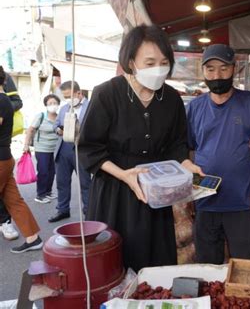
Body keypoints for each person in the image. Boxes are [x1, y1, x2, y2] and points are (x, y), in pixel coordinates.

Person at [78, 24, 203, 272]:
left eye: (163, 62)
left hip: (155, 194)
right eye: (149, 62)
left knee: (156, 263)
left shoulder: (171, 99)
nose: (158, 69)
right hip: (115, 192)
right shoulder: (107, 94)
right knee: (115, 264)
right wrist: (124, 174)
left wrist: (187, 164)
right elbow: (90, 148)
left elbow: (177, 145)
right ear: (131, 61)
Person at [187, 44, 250, 264]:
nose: (217, 75)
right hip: (205, 201)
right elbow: (188, 154)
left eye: (223, 68)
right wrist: (189, 191)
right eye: (211, 69)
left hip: (241, 201)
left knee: (245, 265)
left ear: (234, 69)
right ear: (203, 72)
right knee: (207, 268)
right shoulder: (195, 108)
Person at [0, 65, 43, 253]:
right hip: (4, 159)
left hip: (0, 160)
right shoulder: (4, 100)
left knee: (14, 201)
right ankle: (33, 238)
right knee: (14, 201)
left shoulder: (1, 100)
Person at [48, 81, 91, 222]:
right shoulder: (64, 108)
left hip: (82, 149)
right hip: (64, 149)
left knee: (85, 183)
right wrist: (58, 130)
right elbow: (55, 125)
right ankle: (62, 210)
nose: (67, 99)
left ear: (78, 93)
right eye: (65, 96)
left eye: (68, 96)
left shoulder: (92, 106)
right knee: (62, 182)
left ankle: (89, 211)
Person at [23, 94, 61, 203]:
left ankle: (48, 192)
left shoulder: (59, 117)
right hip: (42, 149)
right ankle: (40, 194)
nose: (53, 105)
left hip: (55, 149)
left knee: (52, 171)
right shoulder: (41, 116)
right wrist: (26, 145)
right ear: (46, 105)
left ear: (58, 104)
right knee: (43, 171)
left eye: (55, 103)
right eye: (50, 103)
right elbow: (30, 130)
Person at [0, 67, 21, 241]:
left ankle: (5, 223)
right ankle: (33, 237)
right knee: (11, 195)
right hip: (4, 154)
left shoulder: (2, 99)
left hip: (2, 154)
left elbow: (17, 101)